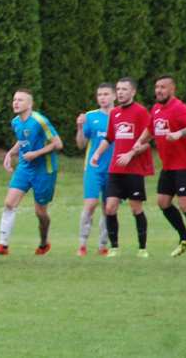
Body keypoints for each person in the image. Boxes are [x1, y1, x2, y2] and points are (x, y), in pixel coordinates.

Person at [133, 75, 186, 259]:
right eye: (157, 87)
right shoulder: (157, 108)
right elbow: (150, 129)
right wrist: (139, 142)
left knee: (185, 205)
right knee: (162, 202)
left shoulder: (179, 107)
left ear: (172, 89)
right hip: (168, 167)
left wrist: (179, 133)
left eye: (163, 87)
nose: (159, 90)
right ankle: (185, 237)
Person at [0, 89, 63, 256]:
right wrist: (10, 153)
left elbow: (58, 144)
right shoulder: (16, 122)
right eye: (14, 99)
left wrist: (36, 154)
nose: (16, 103)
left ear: (30, 104)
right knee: (9, 203)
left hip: (44, 170)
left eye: (20, 100)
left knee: (40, 212)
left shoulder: (39, 121)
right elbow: (22, 141)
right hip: (25, 167)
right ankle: (3, 245)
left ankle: (44, 243)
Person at [90, 77, 154, 258]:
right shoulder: (115, 113)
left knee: (136, 209)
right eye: (118, 89)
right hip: (115, 170)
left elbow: (148, 142)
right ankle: (114, 247)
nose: (120, 92)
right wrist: (97, 154)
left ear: (133, 92)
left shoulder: (141, 112)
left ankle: (142, 248)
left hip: (133, 170)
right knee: (109, 208)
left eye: (124, 89)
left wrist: (130, 154)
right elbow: (109, 138)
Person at [74, 83, 116, 256]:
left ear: (114, 96)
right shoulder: (90, 117)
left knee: (109, 208)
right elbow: (81, 144)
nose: (102, 98)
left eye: (106, 94)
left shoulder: (121, 116)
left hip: (114, 169)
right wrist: (79, 127)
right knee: (90, 204)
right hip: (93, 168)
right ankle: (82, 244)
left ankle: (102, 245)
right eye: (99, 95)